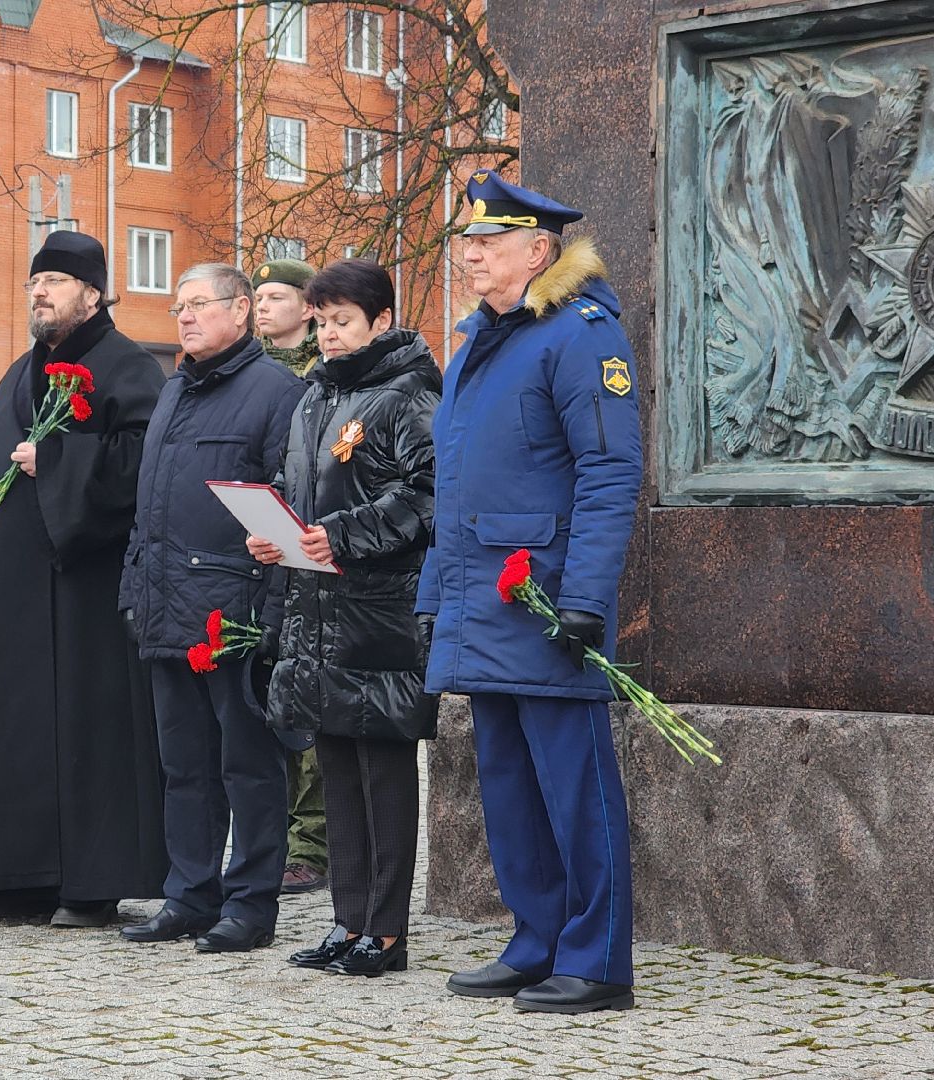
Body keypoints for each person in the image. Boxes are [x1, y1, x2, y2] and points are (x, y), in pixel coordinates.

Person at [417, 172, 644, 1013]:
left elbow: (609, 470)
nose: (470, 254)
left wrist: (585, 597)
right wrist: (434, 597)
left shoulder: (578, 334)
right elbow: (453, 486)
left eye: (489, 242)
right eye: (468, 241)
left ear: (539, 251)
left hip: (545, 602)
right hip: (484, 602)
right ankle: (537, 940)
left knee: (575, 792)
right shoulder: (481, 340)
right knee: (510, 792)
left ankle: (598, 961)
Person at [0, 231, 170, 928]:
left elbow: (144, 463)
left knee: (90, 731)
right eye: (34, 282)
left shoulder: (130, 366)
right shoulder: (19, 372)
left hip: (86, 590)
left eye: (54, 282)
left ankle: (91, 884)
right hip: (14, 591)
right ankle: (16, 875)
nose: (39, 293)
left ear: (92, 294)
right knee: (13, 728)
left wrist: (62, 462)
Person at [249, 259, 441, 977]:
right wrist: (272, 528)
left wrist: (342, 534)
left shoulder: (409, 393)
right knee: (335, 768)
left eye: (343, 322)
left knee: (383, 772)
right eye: (322, 321)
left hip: (380, 612)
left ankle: (386, 932)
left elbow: (430, 494)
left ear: (381, 321)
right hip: (317, 608)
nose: (329, 334)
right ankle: (347, 920)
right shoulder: (316, 396)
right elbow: (295, 484)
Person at [119, 263, 306, 954]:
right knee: (184, 767)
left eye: (199, 304)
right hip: (166, 608)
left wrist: (271, 619)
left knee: (248, 767)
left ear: (242, 309)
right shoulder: (173, 389)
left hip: (234, 616)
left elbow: (289, 507)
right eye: (179, 307)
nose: (186, 317)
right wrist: (135, 590)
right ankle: (189, 895)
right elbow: (149, 506)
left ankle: (251, 904)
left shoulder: (277, 392)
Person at [253, 255, 328, 896]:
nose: (262, 306)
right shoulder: (246, 373)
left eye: (276, 296)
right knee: (268, 704)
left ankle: (311, 844)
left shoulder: (322, 376)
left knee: (308, 712)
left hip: (313, 546)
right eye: (257, 297)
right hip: (261, 549)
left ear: (308, 307)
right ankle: (272, 838)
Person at [254, 257, 322, 377]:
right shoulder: (244, 362)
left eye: (275, 298)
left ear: (308, 310)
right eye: (259, 299)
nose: (261, 307)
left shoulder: (328, 366)